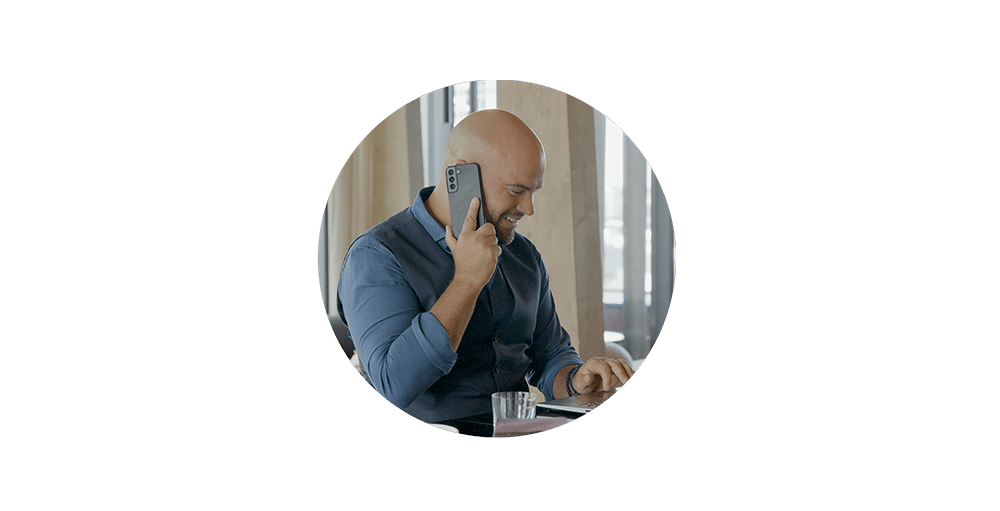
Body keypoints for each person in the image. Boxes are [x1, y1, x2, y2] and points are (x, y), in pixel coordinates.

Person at [337, 109, 634, 423]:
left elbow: (550, 357)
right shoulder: (377, 255)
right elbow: (393, 386)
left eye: (533, 192)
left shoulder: (523, 255)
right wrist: (466, 281)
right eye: (517, 191)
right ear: (460, 176)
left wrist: (576, 379)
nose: (529, 209)